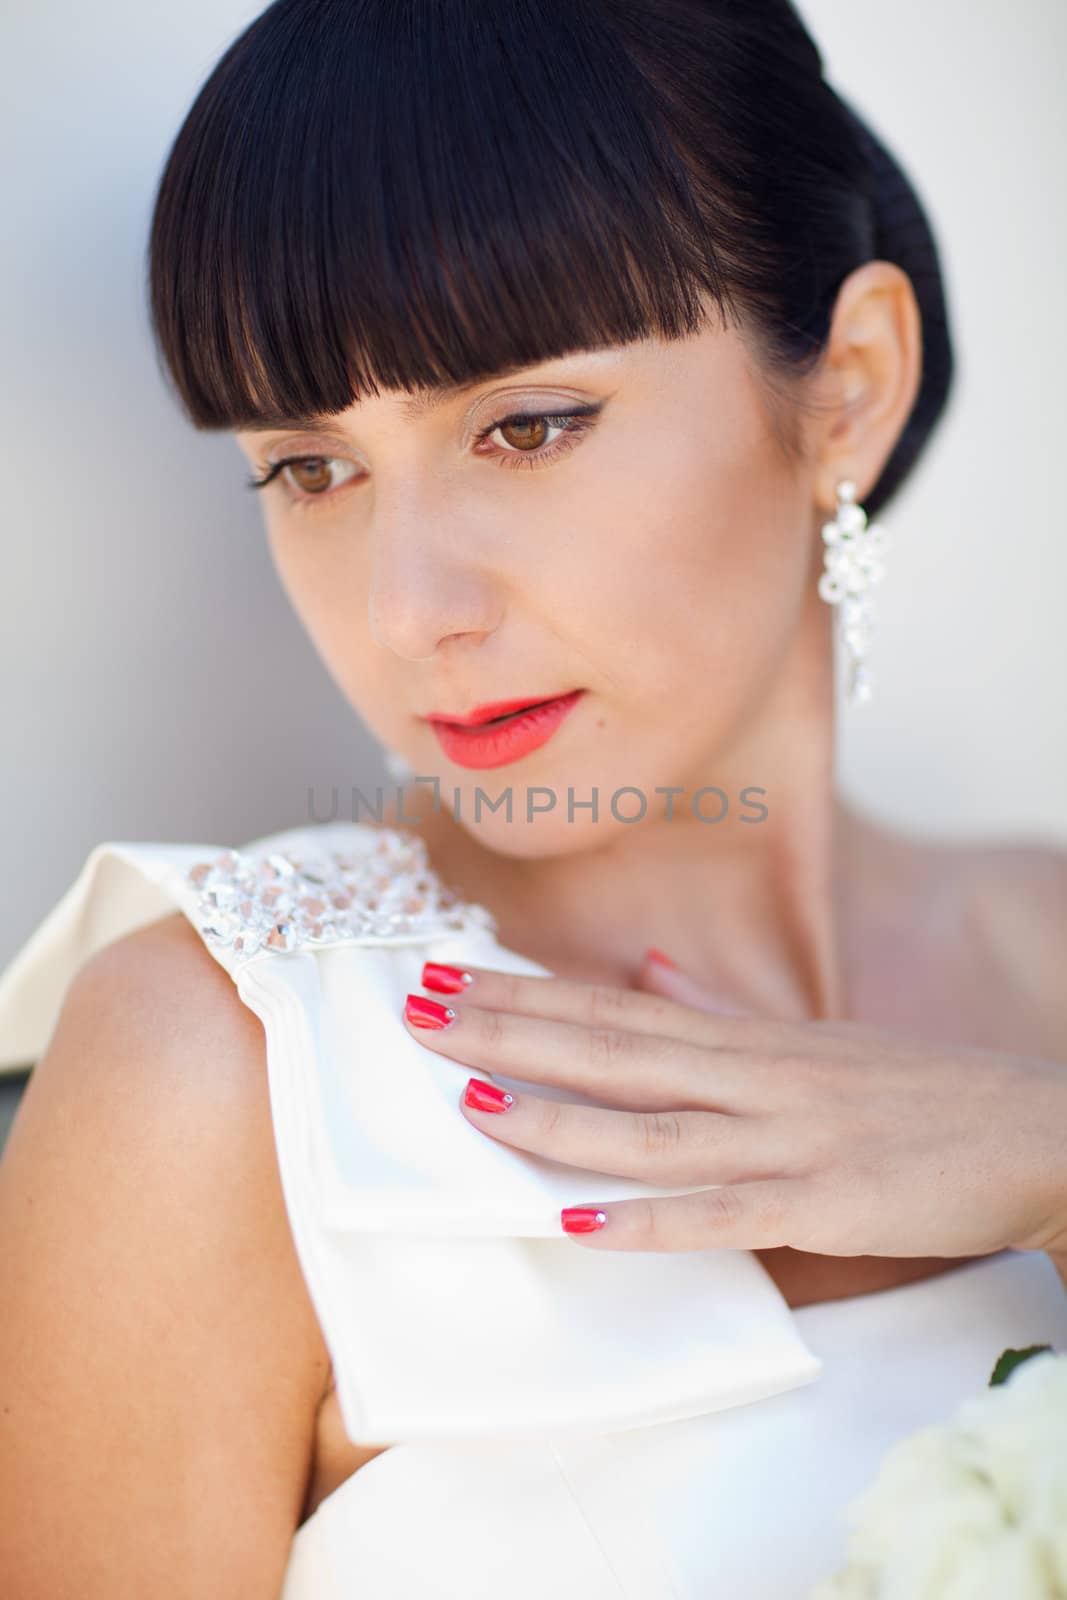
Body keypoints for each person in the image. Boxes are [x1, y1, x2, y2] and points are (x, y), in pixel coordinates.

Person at [1, 1, 1065, 1595]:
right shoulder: (212, 1080)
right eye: (311, 468)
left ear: (846, 386)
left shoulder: (1051, 942)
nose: (407, 608)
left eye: (529, 424)